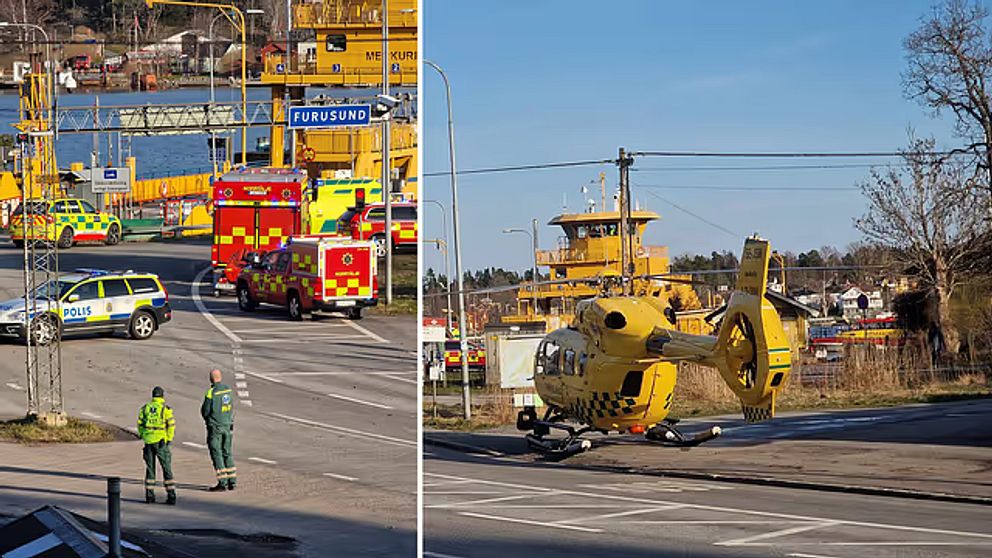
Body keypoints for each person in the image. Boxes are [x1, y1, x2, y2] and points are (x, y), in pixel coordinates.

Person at [137, 386, 176, 505]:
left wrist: (144, 436)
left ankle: (149, 496)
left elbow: (140, 424)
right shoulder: (165, 409)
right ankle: (171, 496)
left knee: (150, 470)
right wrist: (168, 439)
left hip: (148, 442)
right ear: (162, 396)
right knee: (167, 469)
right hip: (161, 442)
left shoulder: (145, 408)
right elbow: (171, 425)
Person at [201, 369, 236, 491]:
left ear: (211, 379)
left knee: (217, 453)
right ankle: (232, 480)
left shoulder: (211, 392)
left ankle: (222, 482)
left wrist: (209, 420)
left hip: (215, 427)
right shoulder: (228, 389)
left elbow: (205, 411)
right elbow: (231, 406)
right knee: (227, 452)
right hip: (228, 425)